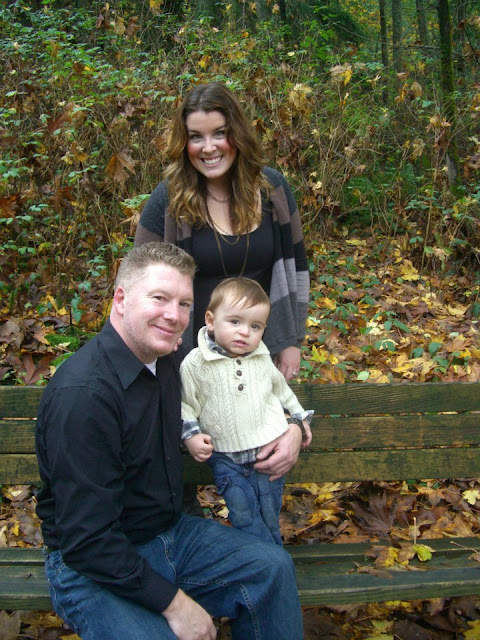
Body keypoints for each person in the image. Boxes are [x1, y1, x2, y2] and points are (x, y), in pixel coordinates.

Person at [35, 242, 304, 640]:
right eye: (159, 298)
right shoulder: (83, 396)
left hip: (170, 535)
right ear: (121, 300)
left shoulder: (166, 361)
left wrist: (293, 427)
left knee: (273, 568)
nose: (174, 315)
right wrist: (176, 605)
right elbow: (87, 540)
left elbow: (245, 395)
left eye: (183, 304)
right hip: (93, 563)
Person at [135, 81, 311, 482]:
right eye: (196, 137)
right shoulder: (169, 200)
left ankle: (252, 517)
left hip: (256, 350)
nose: (208, 147)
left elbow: (296, 265)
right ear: (184, 142)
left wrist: (290, 341)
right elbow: (141, 280)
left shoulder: (272, 190)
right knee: (182, 455)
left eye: (219, 133)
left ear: (238, 134)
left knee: (260, 456)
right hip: (187, 357)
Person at [181, 277, 313, 546]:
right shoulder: (195, 363)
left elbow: (282, 391)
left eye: (255, 326)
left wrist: (299, 418)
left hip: (267, 451)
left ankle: (268, 557)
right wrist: (191, 436)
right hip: (225, 458)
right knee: (243, 514)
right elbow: (185, 404)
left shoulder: (261, 358)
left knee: (269, 512)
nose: (244, 332)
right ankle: (267, 558)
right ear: (210, 320)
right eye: (235, 322)